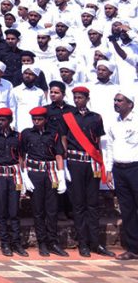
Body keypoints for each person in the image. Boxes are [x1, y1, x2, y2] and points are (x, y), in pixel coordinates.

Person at [62, 86, 114, 257]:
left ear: (87, 98)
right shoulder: (68, 117)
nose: (77, 100)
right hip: (75, 163)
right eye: (75, 97)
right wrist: (65, 162)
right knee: (78, 205)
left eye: (80, 97)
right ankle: (83, 243)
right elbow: (63, 139)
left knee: (92, 204)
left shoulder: (96, 118)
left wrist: (101, 162)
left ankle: (95, 243)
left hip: (91, 163)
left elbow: (97, 142)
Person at [20, 106, 67, 257]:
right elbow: (21, 155)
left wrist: (61, 177)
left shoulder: (53, 133)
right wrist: (24, 175)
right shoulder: (27, 133)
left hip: (51, 172)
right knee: (38, 210)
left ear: (45, 119)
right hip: (34, 173)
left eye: (39, 119)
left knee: (52, 209)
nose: (36, 122)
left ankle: (53, 242)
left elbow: (59, 155)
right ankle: (42, 242)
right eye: (34, 119)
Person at [0, 107, 26, 257]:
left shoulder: (18, 136)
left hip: (14, 173)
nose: (1, 122)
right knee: (2, 210)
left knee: (14, 210)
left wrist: (24, 175)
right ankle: (5, 243)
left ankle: (16, 242)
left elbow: (21, 156)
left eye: (3, 120)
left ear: (10, 120)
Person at [106, 93, 138, 260]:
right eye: (115, 100)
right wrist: (109, 170)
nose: (116, 103)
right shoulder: (113, 123)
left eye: (120, 100)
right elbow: (110, 147)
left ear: (130, 104)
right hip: (119, 169)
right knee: (127, 210)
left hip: (135, 168)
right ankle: (133, 248)